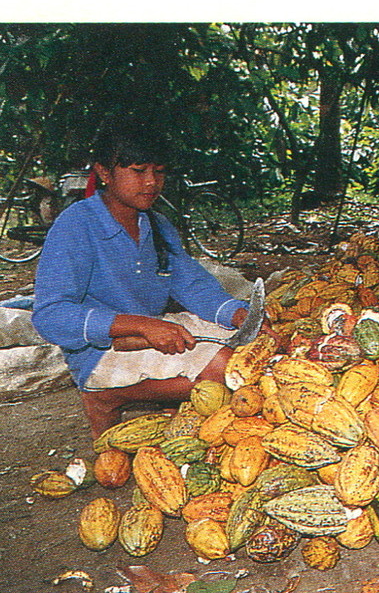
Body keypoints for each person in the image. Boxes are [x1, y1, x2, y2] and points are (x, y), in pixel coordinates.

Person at [32, 117, 251, 439]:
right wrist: (141, 325)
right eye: (138, 171)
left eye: (158, 172)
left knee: (252, 352)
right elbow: (50, 316)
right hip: (99, 353)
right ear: (104, 173)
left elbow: (192, 284)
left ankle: (170, 404)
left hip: (146, 333)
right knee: (225, 369)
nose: (151, 183)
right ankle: (107, 396)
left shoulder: (157, 224)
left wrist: (240, 314)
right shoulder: (77, 225)